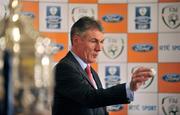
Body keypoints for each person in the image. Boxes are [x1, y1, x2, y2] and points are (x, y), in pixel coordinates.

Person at [52, 16, 154, 115]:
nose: (99, 48)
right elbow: (90, 98)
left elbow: (100, 107)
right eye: (93, 41)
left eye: (101, 42)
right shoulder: (64, 68)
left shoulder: (92, 73)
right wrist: (129, 87)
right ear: (76, 41)